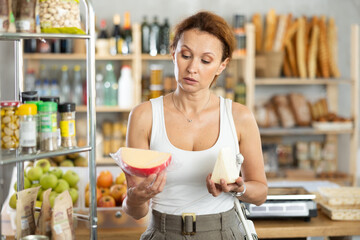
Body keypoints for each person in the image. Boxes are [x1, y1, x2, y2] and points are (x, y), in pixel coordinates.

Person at [122, 11, 268, 240]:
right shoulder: (144, 116)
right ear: (173, 54)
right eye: (186, 55)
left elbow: (260, 193)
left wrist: (239, 189)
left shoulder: (240, 117)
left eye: (206, 60)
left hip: (224, 233)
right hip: (162, 232)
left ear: (222, 65)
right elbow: (135, 212)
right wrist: (136, 197)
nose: (192, 68)